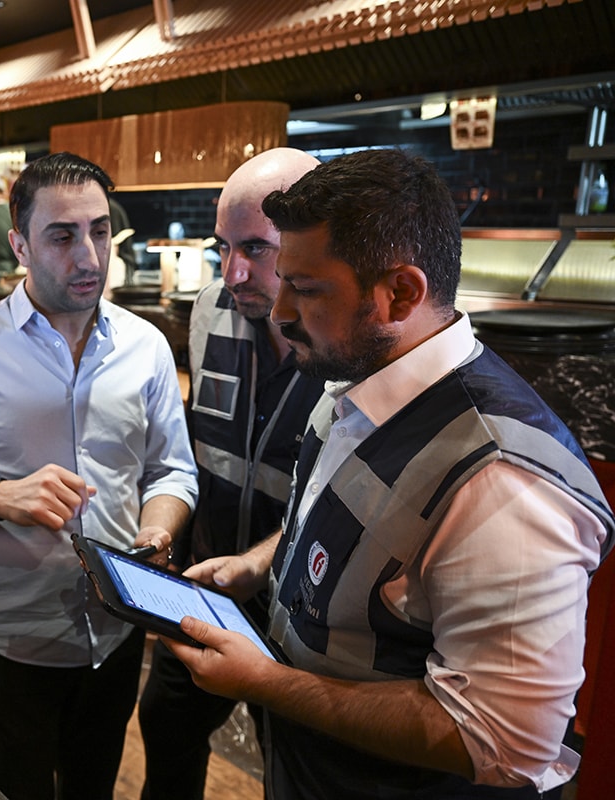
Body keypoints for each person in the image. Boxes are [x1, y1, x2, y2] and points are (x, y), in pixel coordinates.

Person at [165, 148, 615, 799]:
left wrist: (266, 683)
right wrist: (259, 565)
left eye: (307, 289)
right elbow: (340, 519)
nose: (282, 312)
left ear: (401, 293)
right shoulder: (353, 374)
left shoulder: (503, 478)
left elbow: (502, 742)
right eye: (284, 280)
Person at [0, 152, 198, 800]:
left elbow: (171, 470)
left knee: (94, 788)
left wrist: (157, 532)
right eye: (62, 236)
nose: (88, 256)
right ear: (19, 246)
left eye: (99, 231)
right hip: (12, 640)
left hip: (116, 634)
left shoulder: (146, 346)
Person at [137, 147, 323, 800]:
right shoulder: (212, 307)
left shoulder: (348, 336)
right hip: (205, 586)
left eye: (256, 248)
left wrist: (260, 562)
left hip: (297, 614)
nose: (232, 271)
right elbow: (197, 447)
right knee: (166, 727)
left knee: (288, 769)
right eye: (223, 246)